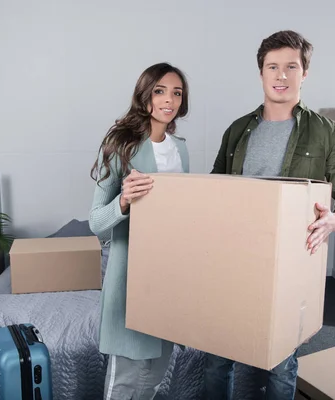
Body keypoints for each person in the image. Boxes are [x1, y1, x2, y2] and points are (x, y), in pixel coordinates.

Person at [206, 30, 335, 399]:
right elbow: (215, 193)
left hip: (289, 264)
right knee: (218, 358)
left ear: (304, 72)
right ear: (261, 72)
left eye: (291, 67)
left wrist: (333, 221)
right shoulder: (237, 131)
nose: (281, 76)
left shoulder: (328, 134)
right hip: (234, 260)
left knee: (280, 364)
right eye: (272, 67)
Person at [89, 62, 190, 400]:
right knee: (125, 381)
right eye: (160, 91)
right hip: (131, 276)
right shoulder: (122, 144)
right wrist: (123, 201)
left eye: (176, 92)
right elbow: (95, 221)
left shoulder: (181, 149)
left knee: (157, 377)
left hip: (169, 276)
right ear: (145, 95)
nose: (169, 100)